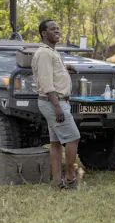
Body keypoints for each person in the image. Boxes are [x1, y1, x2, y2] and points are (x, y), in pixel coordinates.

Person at [31, 19, 81, 190]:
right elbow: (46, 81)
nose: (57, 31)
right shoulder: (44, 53)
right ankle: (70, 179)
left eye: (58, 28)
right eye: (53, 29)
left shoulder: (51, 52)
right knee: (73, 138)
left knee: (56, 143)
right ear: (44, 33)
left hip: (55, 101)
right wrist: (57, 106)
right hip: (54, 102)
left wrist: (66, 68)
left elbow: (52, 70)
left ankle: (57, 181)